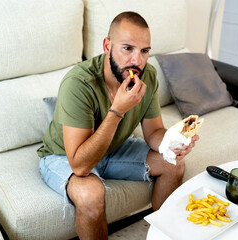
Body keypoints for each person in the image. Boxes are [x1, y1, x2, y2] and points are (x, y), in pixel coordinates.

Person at [37, 11, 199, 240]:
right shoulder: (79, 83)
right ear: (107, 45)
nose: (137, 61)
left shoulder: (147, 76)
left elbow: (153, 133)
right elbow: (80, 166)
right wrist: (117, 111)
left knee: (172, 163)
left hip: (113, 148)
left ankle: (162, 236)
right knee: (90, 194)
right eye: (127, 48)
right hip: (65, 155)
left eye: (144, 51)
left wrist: (174, 141)